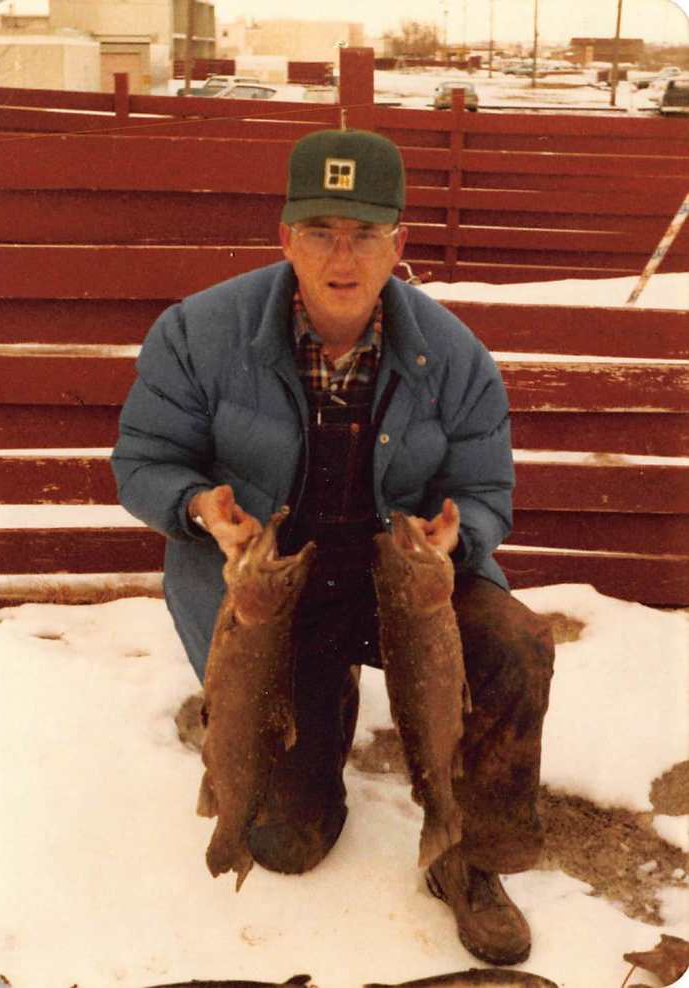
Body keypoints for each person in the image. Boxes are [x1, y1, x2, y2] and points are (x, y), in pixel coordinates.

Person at [111, 128, 554, 967]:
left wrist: (458, 541)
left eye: (364, 233)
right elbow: (141, 461)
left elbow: (487, 491)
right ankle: (323, 703)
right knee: (284, 843)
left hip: (403, 581)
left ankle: (474, 857)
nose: (340, 256)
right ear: (284, 238)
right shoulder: (198, 333)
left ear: (400, 244)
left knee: (516, 646)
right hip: (270, 595)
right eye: (319, 231)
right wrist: (199, 505)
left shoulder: (456, 359)